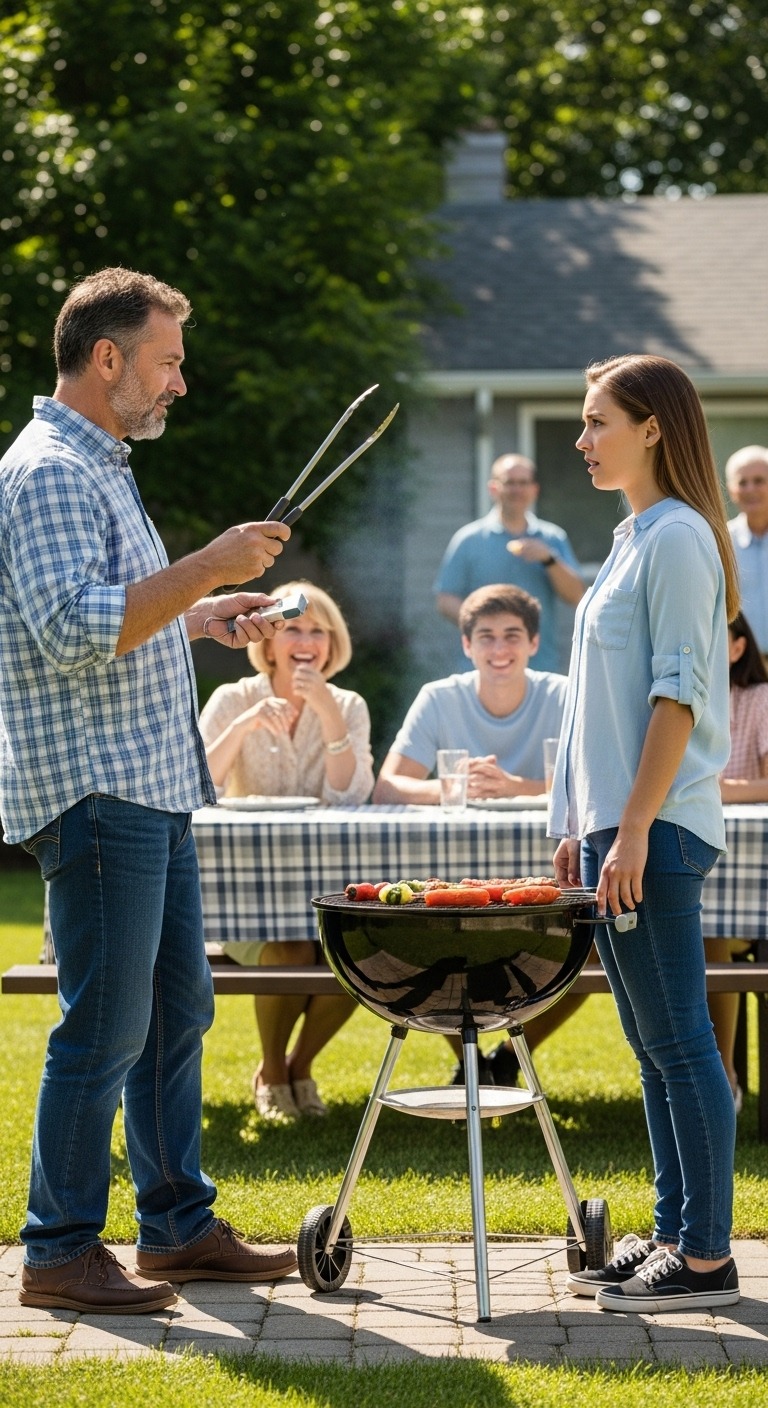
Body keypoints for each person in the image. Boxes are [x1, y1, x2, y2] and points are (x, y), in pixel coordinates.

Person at [0, 267, 300, 1316]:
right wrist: (209, 566)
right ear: (109, 357)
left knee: (179, 1007)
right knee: (105, 1024)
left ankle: (176, 1227)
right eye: (168, 361)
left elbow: (119, 612)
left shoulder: (103, 466)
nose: (181, 381)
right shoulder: (46, 471)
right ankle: (58, 1249)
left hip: (151, 786)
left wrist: (200, 617)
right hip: (95, 794)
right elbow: (77, 630)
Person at [551, 353, 740, 1313]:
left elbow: (677, 695)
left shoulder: (676, 539)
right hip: (615, 832)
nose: (581, 440)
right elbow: (592, 707)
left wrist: (627, 831)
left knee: (682, 1047)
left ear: (653, 427)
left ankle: (707, 1259)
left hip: (656, 832)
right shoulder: (632, 536)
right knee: (654, 1046)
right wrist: (572, 823)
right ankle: (673, 1235)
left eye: (597, 422)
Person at [374, 583, 587, 1085]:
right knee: (430, 936)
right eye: (486, 637)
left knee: (589, 944)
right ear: (466, 645)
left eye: (512, 636)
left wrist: (517, 787)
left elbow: (589, 780)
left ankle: (506, 1061)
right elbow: (388, 785)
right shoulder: (439, 697)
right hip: (453, 876)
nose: (499, 649)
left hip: (543, 871)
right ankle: (470, 1060)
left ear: (534, 643)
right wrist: (453, 788)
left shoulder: (562, 694)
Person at [198, 580, 374, 1121]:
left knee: (366, 955)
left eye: (318, 630)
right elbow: (200, 784)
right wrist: (247, 724)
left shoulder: (347, 704)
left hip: (327, 895)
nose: (306, 640)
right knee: (292, 950)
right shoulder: (233, 699)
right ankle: (272, 1071)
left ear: (332, 643)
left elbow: (353, 794)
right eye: (292, 627)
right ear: (268, 639)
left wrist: (328, 717)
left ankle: (301, 1065)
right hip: (247, 897)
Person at [433, 453, 585, 673]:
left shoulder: (552, 538)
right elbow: (445, 600)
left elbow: (575, 595)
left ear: (535, 489)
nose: (517, 490)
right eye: (509, 483)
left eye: (523, 483)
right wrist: (486, 624)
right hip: (481, 669)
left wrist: (549, 559)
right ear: (493, 488)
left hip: (539, 666)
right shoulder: (469, 539)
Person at [705, 609, 768, 1112]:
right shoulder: (669, 701)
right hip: (686, 866)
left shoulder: (758, 701)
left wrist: (722, 791)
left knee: (714, 930)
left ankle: (723, 1075)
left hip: (748, 890)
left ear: (736, 648)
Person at [726, 446, 768, 662]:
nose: (750, 488)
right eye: (742, 482)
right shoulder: (721, 542)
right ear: (732, 490)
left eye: (759, 480)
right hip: (743, 670)